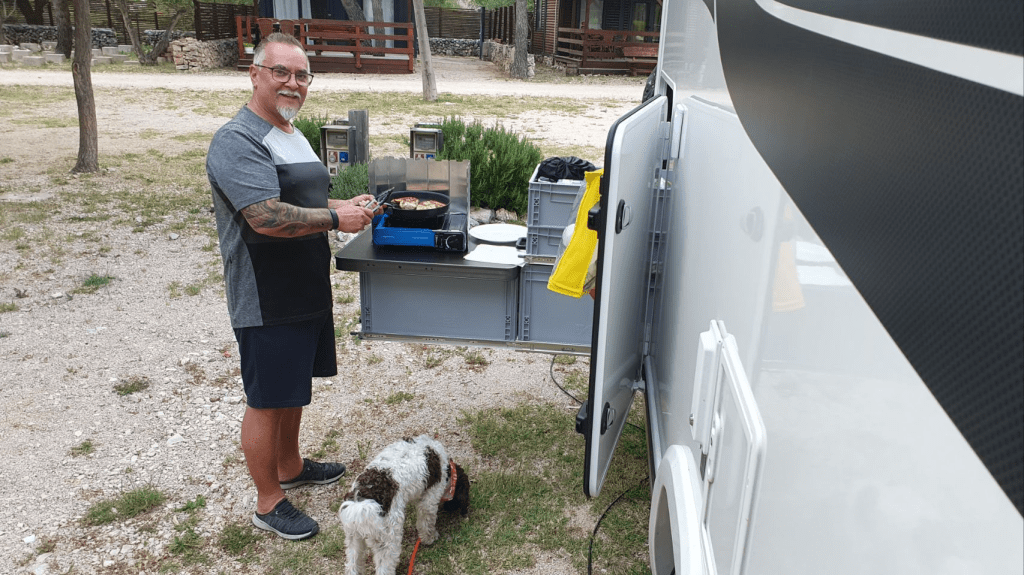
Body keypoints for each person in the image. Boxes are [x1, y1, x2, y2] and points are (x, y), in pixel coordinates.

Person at [206, 32, 379, 541]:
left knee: (292, 387)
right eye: (280, 71)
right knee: (266, 397)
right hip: (266, 293)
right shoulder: (237, 140)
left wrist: (346, 205)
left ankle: (291, 466)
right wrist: (336, 218)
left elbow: (301, 196)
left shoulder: (291, 131)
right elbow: (264, 216)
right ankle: (268, 501)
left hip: (305, 283)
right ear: (254, 74)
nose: (293, 83)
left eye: (302, 75)